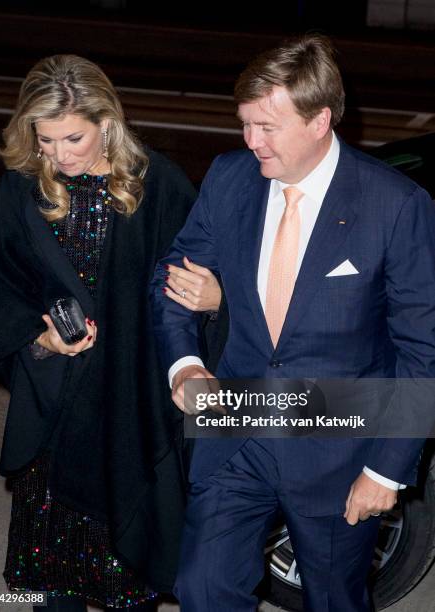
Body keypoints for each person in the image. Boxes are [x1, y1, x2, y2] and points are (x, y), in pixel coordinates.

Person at [151, 34, 435, 611]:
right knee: (201, 587)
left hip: (338, 434)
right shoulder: (231, 178)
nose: (251, 141)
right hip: (235, 421)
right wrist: (185, 366)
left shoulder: (396, 205)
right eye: (245, 124)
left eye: (267, 127)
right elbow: (172, 281)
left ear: (319, 120)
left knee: (332, 599)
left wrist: (386, 468)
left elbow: (421, 347)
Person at [0, 54, 221, 612]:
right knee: (54, 585)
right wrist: (39, 338)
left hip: (128, 408)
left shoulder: (157, 184)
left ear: (106, 123)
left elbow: (201, 286)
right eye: (45, 139)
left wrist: (216, 298)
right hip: (56, 411)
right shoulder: (22, 188)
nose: (58, 155)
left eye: (73, 138)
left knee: (126, 578)